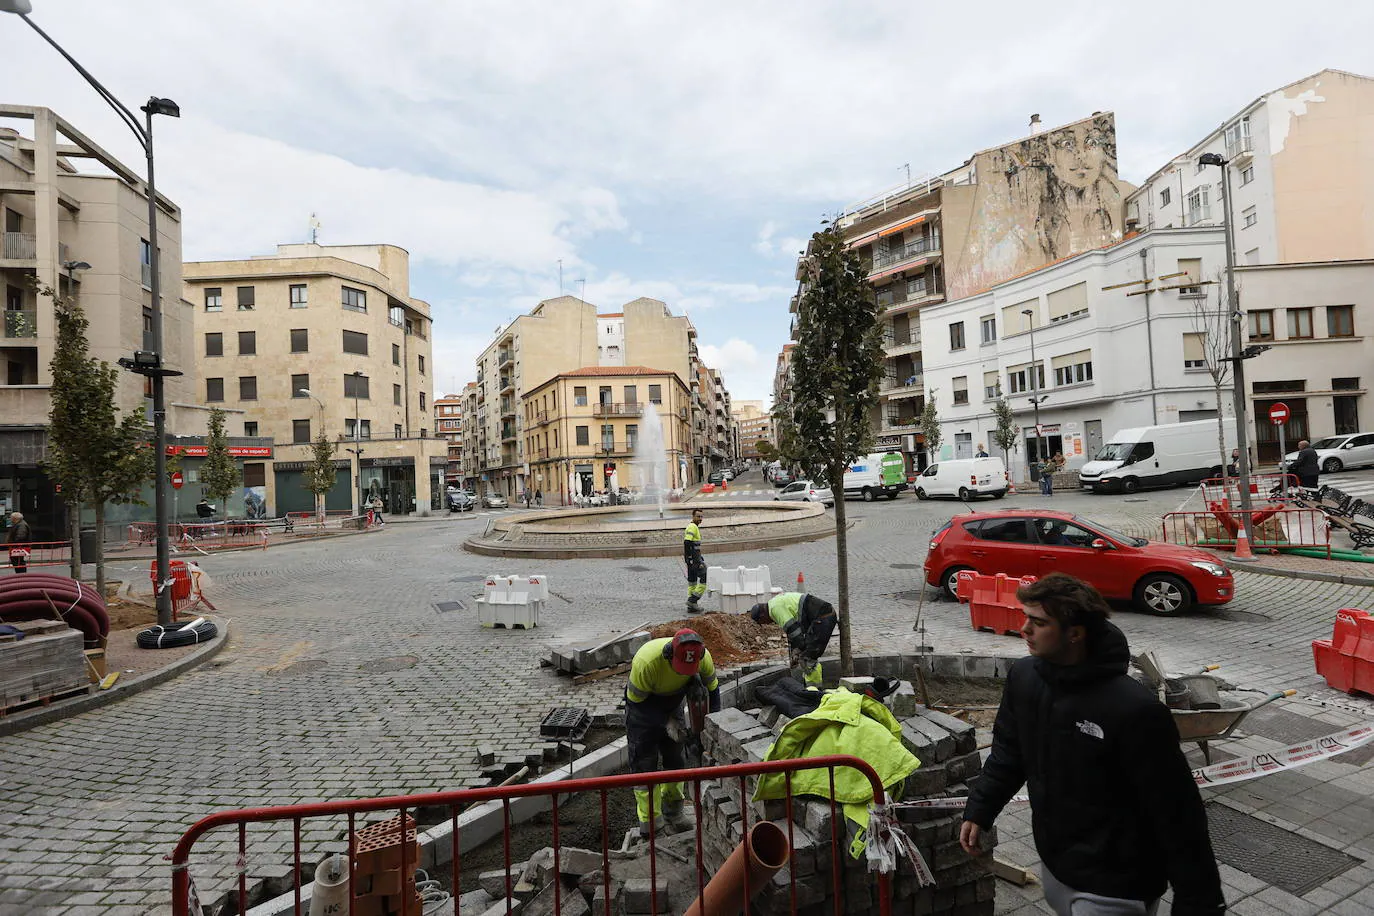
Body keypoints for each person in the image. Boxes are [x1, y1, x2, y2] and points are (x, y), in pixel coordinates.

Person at [960, 573, 1225, 916]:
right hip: (1056, 865)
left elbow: (1178, 814)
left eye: (1038, 622)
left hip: (1116, 883)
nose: (1024, 629)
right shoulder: (1025, 678)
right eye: (1026, 617)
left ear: (1075, 633)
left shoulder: (1135, 710)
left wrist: (1199, 901)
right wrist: (981, 807)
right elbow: (1009, 752)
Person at [625, 629, 720, 836]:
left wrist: (713, 729)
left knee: (676, 760)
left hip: (672, 703)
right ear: (669, 655)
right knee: (645, 765)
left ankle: (674, 813)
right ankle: (651, 827)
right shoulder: (647, 662)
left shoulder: (704, 658)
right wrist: (666, 723)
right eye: (681, 668)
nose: (684, 673)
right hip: (643, 708)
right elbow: (636, 704)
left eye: (689, 669)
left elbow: (713, 691)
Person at [745, 592, 837, 686]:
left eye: (763, 622)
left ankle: (813, 692)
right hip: (822, 615)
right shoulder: (774, 603)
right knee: (807, 656)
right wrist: (794, 652)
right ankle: (810, 689)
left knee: (807, 659)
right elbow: (794, 633)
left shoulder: (775, 610)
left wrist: (797, 652)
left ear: (762, 616)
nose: (767, 624)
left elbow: (795, 633)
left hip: (824, 617)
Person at [683, 508, 706, 612]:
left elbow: (690, 545)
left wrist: (688, 559)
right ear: (693, 517)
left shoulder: (692, 526)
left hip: (691, 560)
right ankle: (692, 600)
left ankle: (691, 607)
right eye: (698, 516)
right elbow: (687, 542)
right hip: (694, 560)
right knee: (704, 578)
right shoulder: (692, 527)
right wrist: (693, 559)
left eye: (701, 516)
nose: (700, 519)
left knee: (692, 582)